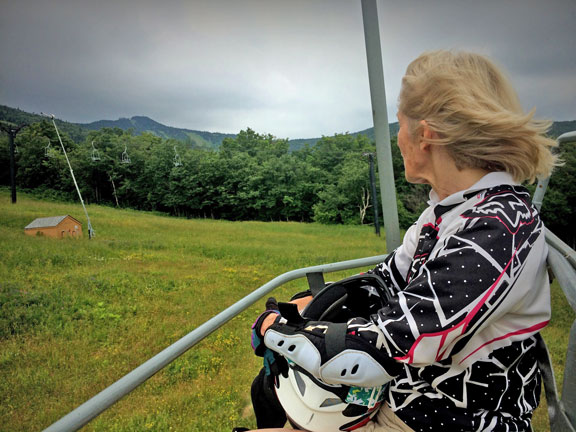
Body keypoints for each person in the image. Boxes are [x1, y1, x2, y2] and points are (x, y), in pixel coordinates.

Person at [246, 50, 559, 432]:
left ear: (425, 134)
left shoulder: (497, 230)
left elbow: (381, 348)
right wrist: (315, 305)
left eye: (400, 124)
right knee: (266, 390)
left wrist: (279, 331)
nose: (398, 138)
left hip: (450, 418)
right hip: (409, 394)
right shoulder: (451, 211)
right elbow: (384, 282)